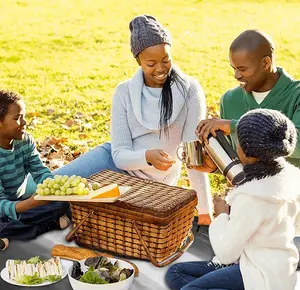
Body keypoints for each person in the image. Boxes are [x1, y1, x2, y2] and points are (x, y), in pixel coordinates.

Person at [50, 15, 213, 224]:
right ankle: (11, 215)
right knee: (50, 188)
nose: (161, 69)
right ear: (138, 61)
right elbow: (119, 155)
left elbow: (193, 157)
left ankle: (59, 217)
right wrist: (146, 156)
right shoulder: (124, 92)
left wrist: (205, 211)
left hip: (149, 185)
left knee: (78, 209)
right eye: (151, 63)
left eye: (166, 59)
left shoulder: (190, 90)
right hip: (112, 163)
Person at [165, 108, 300, 290]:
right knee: (175, 273)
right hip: (274, 267)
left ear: (246, 151)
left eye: (238, 141)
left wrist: (222, 215)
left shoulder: (251, 197)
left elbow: (226, 253)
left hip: (259, 275)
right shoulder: (291, 177)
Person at [194, 29, 300, 260]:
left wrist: (234, 125)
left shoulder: (296, 95)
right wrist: (215, 165)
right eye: (234, 68)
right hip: (248, 205)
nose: (236, 76)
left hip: (289, 208)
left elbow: (297, 143)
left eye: (242, 69)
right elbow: (241, 160)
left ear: (266, 62)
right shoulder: (230, 99)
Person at [0, 90, 70, 241]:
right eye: (17, 118)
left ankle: (14, 231)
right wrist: (29, 204)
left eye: (24, 116)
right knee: (3, 224)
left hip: (20, 202)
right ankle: (46, 225)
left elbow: (40, 172)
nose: (24, 122)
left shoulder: (25, 141)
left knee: (64, 203)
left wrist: (53, 189)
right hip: (5, 207)